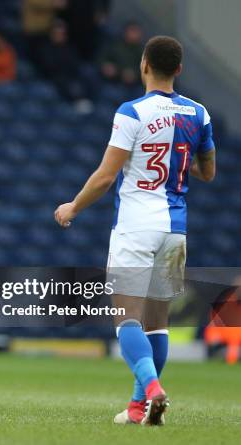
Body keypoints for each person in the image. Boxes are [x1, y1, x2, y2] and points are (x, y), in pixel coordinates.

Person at [54, 36, 216, 425]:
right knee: (158, 324)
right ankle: (138, 408)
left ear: (144, 64)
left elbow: (106, 176)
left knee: (126, 320)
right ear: (179, 69)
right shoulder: (199, 114)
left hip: (135, 226)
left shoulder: (131, 112)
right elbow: (207, 172)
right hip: (175, 230)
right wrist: (180, 158)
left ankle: (153, 390)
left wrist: (73, 206)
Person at [99, 22, 144, 86]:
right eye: (132, 31)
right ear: (125, 32)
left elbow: (145, 71)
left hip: (132, 85)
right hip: (110, 79)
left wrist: (134, 74)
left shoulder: (142, 51)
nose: (134, 34)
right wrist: (105, 66)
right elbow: (101, 57)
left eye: (136, 32)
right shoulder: (115, 44)